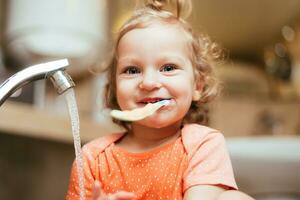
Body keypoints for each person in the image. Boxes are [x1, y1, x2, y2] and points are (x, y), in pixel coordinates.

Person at [67, 0, 255, 199]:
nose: (148, 82)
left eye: (168, 68)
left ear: (197, 86)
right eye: (132, 70)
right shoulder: (92, 159)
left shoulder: (203, 144)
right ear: (115, 88)